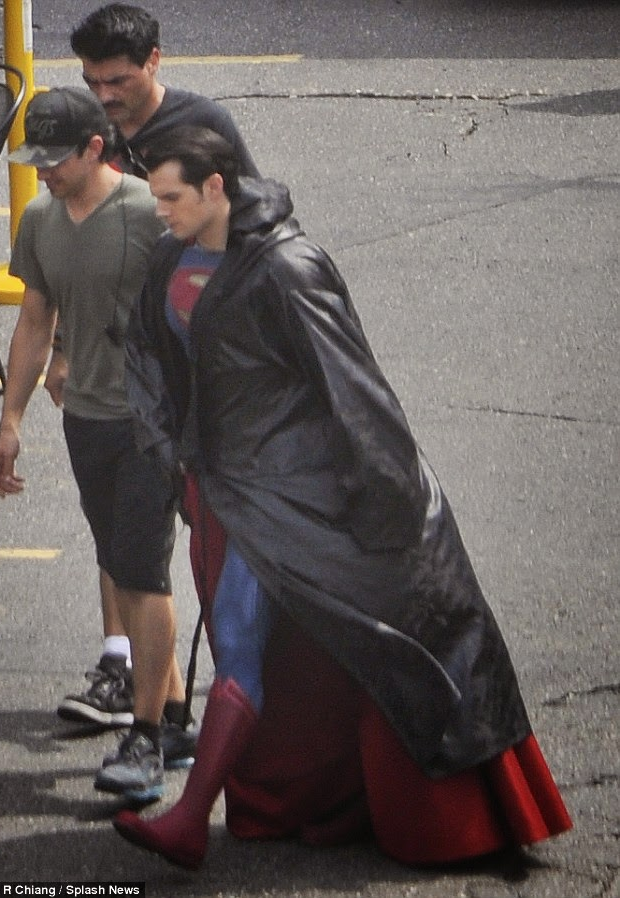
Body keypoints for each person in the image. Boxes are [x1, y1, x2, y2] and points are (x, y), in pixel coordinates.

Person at [111, 126, 572, 869]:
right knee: (252, 644)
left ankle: (189, 819)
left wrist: (390, 504)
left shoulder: (288, 268)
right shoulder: (172, 257)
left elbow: (353, 387)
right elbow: (147, 353)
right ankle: (233, 809)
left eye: (171, 197)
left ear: (215, 187)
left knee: (240, 639)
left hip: (294, 496)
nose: (158, 210)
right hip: (226, 490)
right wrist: (175, 459)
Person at [47, 2, 260, 729]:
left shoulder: (203, 129)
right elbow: (76, 248)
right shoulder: (90, 135)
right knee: (119, 529)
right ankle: (128, 671)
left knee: (189, 534)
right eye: (92, 81)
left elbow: (250, 234)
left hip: (186, 370)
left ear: (155, 62)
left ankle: (214, 689)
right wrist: (63, 348)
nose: (104, 94)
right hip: (112, 370)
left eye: (118, 80)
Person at [0, 88, 193, 800]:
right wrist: (10, 422)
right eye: (35, 160)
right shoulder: (40, 220)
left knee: (142, 571)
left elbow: (197, 302)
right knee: (121, 565)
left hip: (150, 423)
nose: (43, 171)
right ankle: (175, 717)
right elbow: (35, 319)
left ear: (96, 149)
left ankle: (147, 737)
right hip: (87, 421)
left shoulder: (150, 212)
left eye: (55, 160)